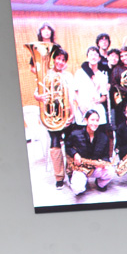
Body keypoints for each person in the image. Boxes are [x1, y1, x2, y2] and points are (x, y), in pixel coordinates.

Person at [35, 45, 72, 189]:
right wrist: (38, 97)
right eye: (58, 59)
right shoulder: (47, 74)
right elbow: (36, 92)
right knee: (55, 142)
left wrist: (72, 114)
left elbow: (71, 96)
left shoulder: (68, 76)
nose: (60, 62)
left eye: (63, 60)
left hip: (66, 113)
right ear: (54, 59)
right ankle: (59, 177)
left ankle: (71, 171)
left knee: (70, 142)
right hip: (52, 114)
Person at [65, 108, 113, 195]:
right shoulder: (75, 134)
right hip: (81, 168)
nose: (95, 123)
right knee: (77, 189)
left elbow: (105, 155)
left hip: (95, 168)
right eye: (92, 120)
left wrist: (103, 162)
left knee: (110, 172)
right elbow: (68, 146)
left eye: (97, 120)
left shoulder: (104, 137)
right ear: (86, 120)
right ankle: (82, 182)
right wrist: (75, 154)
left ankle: (99, 183)